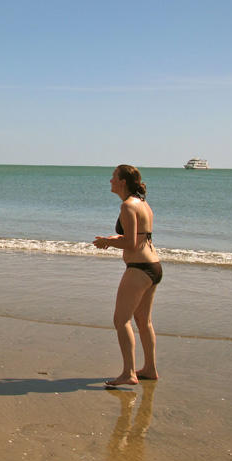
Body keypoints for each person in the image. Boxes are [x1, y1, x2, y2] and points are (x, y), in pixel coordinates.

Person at [93, 164, 161, 386]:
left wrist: (107, 242)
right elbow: (139, 236)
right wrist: (113, 240)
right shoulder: (142, 204)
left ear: (122, 181)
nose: (110, 180)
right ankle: (150, 368)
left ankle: (129, 373)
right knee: (143, 321)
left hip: (139, 268)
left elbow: (131, 243)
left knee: (121, 320)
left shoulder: (127, 206)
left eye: (113, 177)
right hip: (153, 266)